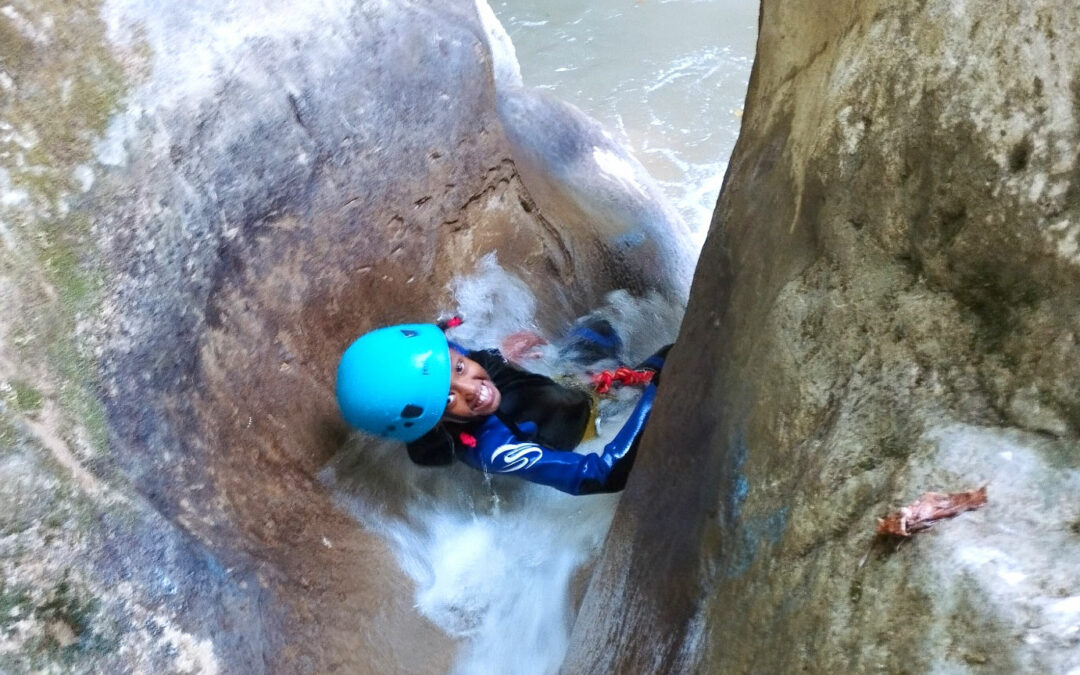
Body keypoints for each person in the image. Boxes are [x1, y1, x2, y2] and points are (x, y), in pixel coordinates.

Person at [335, 320, 669, 495]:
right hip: (581, 425)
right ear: (435, 424)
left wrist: (496, 355)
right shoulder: (494, 449)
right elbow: (602, 475)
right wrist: (659, 391)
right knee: (670, 357)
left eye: (460, 368)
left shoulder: (440, 355)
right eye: (448, 398)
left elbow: (454, 361)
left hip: (562, 387)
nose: (474, 390)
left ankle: (603, 380)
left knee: (598, 329)